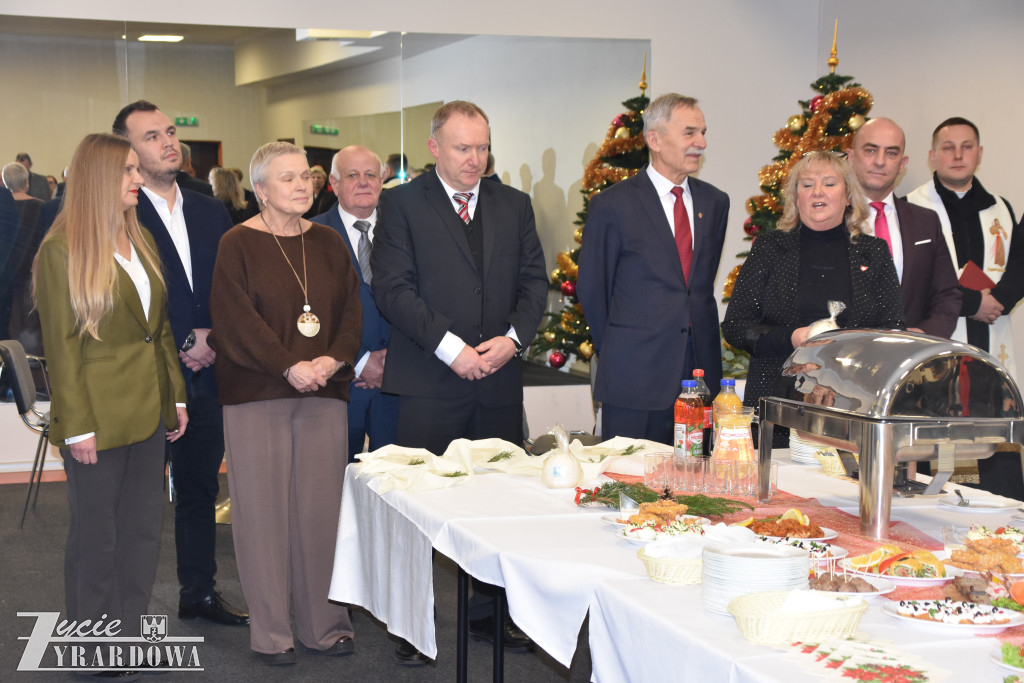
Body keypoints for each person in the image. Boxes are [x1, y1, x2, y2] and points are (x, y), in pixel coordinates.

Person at [371, 100, 547, 663]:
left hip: (496, 379)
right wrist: (453, 350)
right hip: (429, 380)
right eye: (463, 148)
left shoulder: (513, 204)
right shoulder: (399, 204)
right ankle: (410, 621)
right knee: (419, 506)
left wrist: (513, 340)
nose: (475, 159)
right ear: (434, 148)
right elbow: (393, 290)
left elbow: (534, 283)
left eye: (483, 147)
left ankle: (489, 617)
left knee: (494, 507)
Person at [32, 133, 188, 666]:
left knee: (142, 535)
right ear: (100, 178)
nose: (138, 179)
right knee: (98, 540)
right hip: (95, 418)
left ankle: (126, 640)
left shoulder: (138, 235)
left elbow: (159, 329)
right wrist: (75, 427)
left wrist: (177, 397)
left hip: (150, 411)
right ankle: (92, 650)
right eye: (127, 170)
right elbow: (61, 347)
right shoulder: (62, 250)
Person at [210, 141, 362, 664]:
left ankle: (325, 625)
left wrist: (331, 361)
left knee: (321, 514)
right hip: (259, 393)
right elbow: (235, 320)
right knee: (263, 514)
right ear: (260, 191)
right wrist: (287, 364)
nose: (302, 186)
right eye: (287, 178)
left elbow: (350, 314)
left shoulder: (329, 243)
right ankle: (273, 633)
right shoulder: (237, 244)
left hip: (324, 391)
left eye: (306, 177)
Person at [113, 100, 248, 628]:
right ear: (128, 150)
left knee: (199, 489)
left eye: (170, 132)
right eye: (151, 136)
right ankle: (125, 613)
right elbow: (122, 297)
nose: (168, 142)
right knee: (138, 502)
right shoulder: (118, 211)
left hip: (210, 372)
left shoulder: (210, 208)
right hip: (148, 377)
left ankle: (199, 594)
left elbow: (230, 285)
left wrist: (211, 333)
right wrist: (182, 338)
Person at [722, 151, 905, 445]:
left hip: (853, 410)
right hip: (776, 405)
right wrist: (793, 339)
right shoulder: (770, 248)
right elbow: (736, 326)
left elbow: (892, 331)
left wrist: (844, 356)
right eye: (807, 185)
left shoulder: (874, 252)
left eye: (829, 183)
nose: (817, 192)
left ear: (848, 196)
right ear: (796, 198)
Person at [577, 93, 730, 443]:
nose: (701, 143)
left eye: (702, 132)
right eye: (690, 133)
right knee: (631, 483)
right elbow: (593, 289)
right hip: (634, 376)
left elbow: (697, 287)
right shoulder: (613, 205)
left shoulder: (715, 202)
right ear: (655, 139)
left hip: (699, 374)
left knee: (696, 485)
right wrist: (619, 348)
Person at [907, 117, 1024, 497]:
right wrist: (974, 301)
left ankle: (1007, 512)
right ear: (932, 156)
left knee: (996, 425)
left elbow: (1018, 266)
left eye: (967, 146)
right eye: (948, 147)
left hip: (992, 334)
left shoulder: (1001, 209)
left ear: (979, 154)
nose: (958, 155)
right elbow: (916, 274)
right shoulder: (912, 208)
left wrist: (1001, 301)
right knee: (932, 426)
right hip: (941, 332)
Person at [313, 145, 397, 460]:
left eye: (370, 174)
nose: (363, 182)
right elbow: (309, 311)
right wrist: (359, 361)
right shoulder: (311, 235)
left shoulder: (404, 230)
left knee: (394, 485)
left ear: (382, 179)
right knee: (334, 484)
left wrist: (393, 361)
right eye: (352, 175)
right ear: (333, 183)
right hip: (338, 385)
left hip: (396, 382)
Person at [846, 117, 961, 337]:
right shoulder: (830, 222)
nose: (880, 161)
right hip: (846, 358)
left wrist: (923, 334)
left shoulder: (926, 222)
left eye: (891, 153)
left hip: (910, 360)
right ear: (851, 157)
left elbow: (947, 295)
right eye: (870, 150)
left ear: (902, 163)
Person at [1, 162, 45, 352]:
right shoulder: (42, 207)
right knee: (31, 322)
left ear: (4, 182)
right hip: (31, 271)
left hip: (5, 273)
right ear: (27, 182)